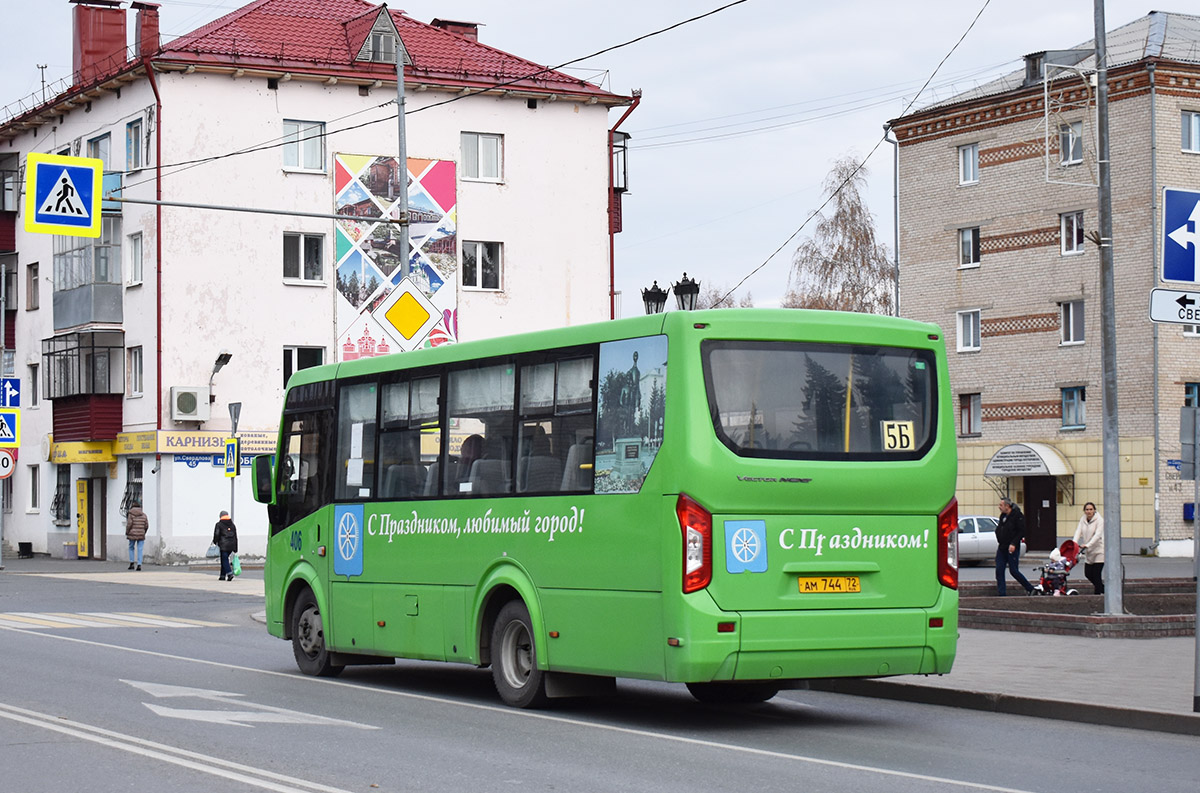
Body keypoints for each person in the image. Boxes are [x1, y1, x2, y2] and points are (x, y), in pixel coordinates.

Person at [995, 497, 1034, 595]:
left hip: (1012, 547)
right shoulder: (1003, 516)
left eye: (1001, 505)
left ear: (1007, 506)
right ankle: (1002, 593)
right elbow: (1000, 528)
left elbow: (1021, 531)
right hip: (1002, 547)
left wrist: (1013, 543)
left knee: (1014, 571)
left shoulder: (1017, 516)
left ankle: (1030, 588)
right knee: (999, 570)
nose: (999, 507)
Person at [1072, 501, 1105, 595]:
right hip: (1089, 551)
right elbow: (1078, 531)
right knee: (1088, 574)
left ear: (1094, 510)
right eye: (1087, 509)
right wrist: (1074, 543)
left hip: (1099, 550)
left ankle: (1097, 594)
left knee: (1096, 574)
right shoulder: (1083, 519)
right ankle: (1104, 589)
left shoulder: (1100, 520)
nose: (1089, 511)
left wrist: (1088, 544)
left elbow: (1098, 535)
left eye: (1091, 509)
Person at [212, 510, 239, 582]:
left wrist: (215, 541)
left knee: (224, 560)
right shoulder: (232, 525)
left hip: (223, 545)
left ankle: (229, 574)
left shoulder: (219, 524)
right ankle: (222, 576)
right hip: (232, 545)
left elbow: (217, 534)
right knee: (224, 559)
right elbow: (235, 537)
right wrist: (235, 548)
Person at [125, 501, 148, 571]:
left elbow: (129, 524)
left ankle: (132, 563)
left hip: (132, 534)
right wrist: (144, 532)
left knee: (131, 547)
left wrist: (127, 532)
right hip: (141, 534)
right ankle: (139, 564)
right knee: (140, 549)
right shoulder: (144, 515)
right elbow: (146, 525)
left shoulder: (131, 515)